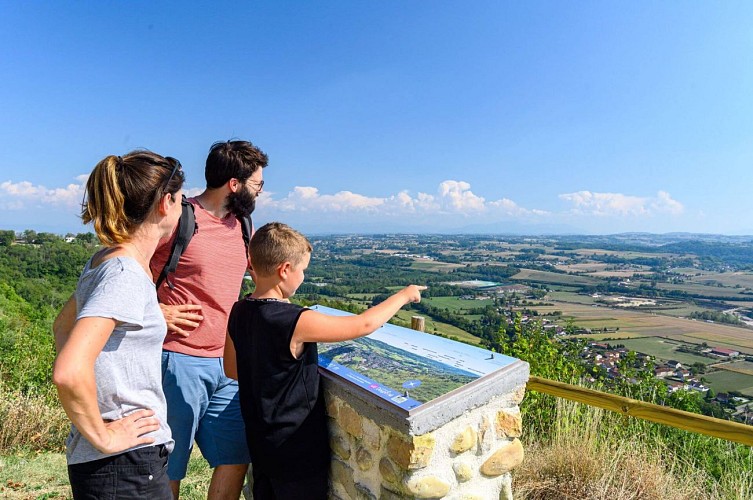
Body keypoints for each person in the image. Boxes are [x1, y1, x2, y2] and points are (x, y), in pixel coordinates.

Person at [224, 222, 425, 499]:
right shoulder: (294, 321)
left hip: (261, 445)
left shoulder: (238, 311)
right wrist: (404, 295)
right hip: (297, 450)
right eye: (302, 270)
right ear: (284, 270)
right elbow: (363, 324)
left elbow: (232, 369)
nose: (303, 277)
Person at [52, 151, 185, 499]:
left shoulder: (104, 260)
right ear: (165, 203)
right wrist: (105, 434)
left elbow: (62, 328)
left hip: (113, 464)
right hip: (124, 464)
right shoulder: (124, 272)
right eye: (181, 199)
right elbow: (68, 370)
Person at [150, 140, 268, 499]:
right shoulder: (179, 219)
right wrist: (155, 311)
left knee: (236, 457)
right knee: (168, 464)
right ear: (235, 184)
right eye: (257, 184)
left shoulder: (243, 225)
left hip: (228, 363)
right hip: (177, 359)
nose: (260, 192)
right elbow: (129, 270)